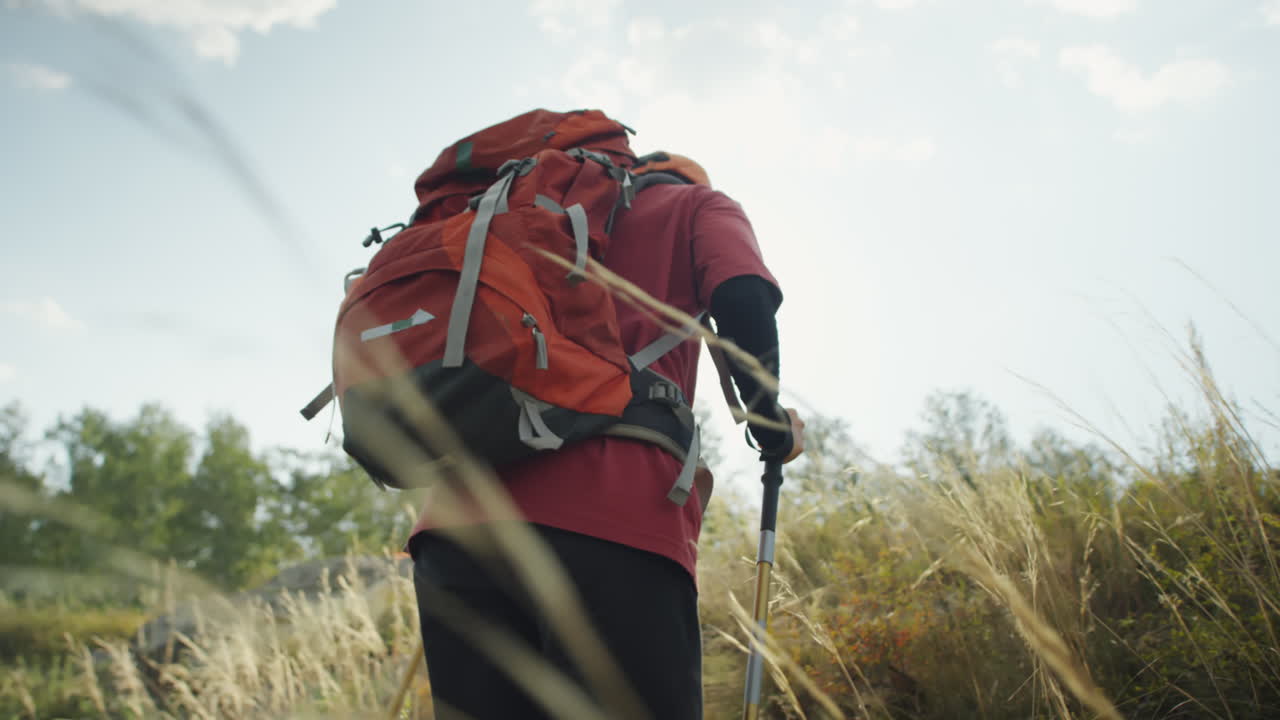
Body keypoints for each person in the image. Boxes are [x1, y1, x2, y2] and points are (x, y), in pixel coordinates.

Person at [404, 150, 806, 720]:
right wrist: (768, 422)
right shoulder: (697, 204)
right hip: (612, 512)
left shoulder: (518, 216)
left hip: (457, 526)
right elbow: (742, 293)